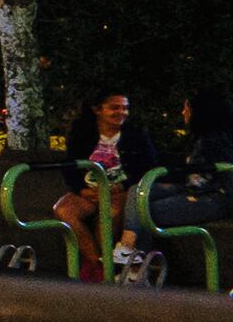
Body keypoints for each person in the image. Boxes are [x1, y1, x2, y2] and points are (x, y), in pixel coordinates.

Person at [54, 91, 160, 280]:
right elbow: (69, 166)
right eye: (114, 108)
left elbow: (148, 167)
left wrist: (121, 186)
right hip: (91, 189)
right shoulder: (82, 134)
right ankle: (97, 263)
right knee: (63, 210)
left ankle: (104, 267)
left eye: (125, 108)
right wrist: (81, 189)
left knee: (110, 214)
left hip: (119, 191)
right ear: (98, 110)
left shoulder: (135, 135)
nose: (121, 112)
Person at [151, 90, 233, 232]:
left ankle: (129, 244)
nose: (183, 112)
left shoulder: (215, 141)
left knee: (147, 210)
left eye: (187, 108)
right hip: (198, 190)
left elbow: (208, 177)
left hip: (214, 196)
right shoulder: (201, 138)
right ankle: (128, 244)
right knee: (136, 193)